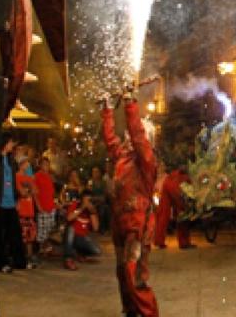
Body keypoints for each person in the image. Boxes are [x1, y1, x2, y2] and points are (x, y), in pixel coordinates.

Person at [101, 87, 160, 316]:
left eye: (140, 131)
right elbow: (109, 139)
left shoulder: (146, 158)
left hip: (137, 225)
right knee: (121, 271)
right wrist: (106, 111)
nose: (130, 134)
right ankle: (131, 311)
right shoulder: (123, 155)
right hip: (121, 221)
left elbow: (137, 137)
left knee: (134, 274)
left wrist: (130, 104)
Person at [0, 132, 27, 273]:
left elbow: (13, 182)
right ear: (5, 143)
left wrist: (17, 198)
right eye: (11, 143)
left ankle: (20, 261)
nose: (12, 145)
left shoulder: (11, 161)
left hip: (11, 202)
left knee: (16, 233)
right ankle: (1, 262)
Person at [154, 165, 194, 249]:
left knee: (164, 214)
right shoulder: (185, 176)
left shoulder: (179, 175)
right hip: (174, 185)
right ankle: (184, 243)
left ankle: (159, 241)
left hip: (170, 183)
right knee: (182, 213)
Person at [63, 190, 102, 270]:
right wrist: (81, 208)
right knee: (70, 228)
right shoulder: (75, 205)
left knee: (97, 251)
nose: (88, 202)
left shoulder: (92, 210)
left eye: (89, 200)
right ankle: (68, 259)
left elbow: (95, 228)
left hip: (81, 238)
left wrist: (92, 213)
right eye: (86, 200)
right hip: (70, 235)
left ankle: (79, 254)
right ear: (81, 199)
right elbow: (69, 218)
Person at [14, 146, 39, 269]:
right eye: (26, 163)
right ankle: (22, 258)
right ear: (21, 164)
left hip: (30, 210)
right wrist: (28, 191)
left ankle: (29, 258)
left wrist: (28, 191)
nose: (28, 165)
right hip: (21, 210)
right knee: (22, 236)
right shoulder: (17, 177)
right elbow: (22, 192)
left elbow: (35, 191)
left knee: (30, 236)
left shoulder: (29, 177)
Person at [33, 156, 57, 256]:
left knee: (49, 229)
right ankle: (41, 249)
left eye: (47, 164)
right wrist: (38, 206)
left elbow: (52, 192)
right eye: (44, 164)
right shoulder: (37, 176)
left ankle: (47, 249)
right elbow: (35, 193)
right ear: (40, 165)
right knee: (42, 229)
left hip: (51, 206)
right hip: (42, 206)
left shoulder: (50, 176)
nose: (46, 166)